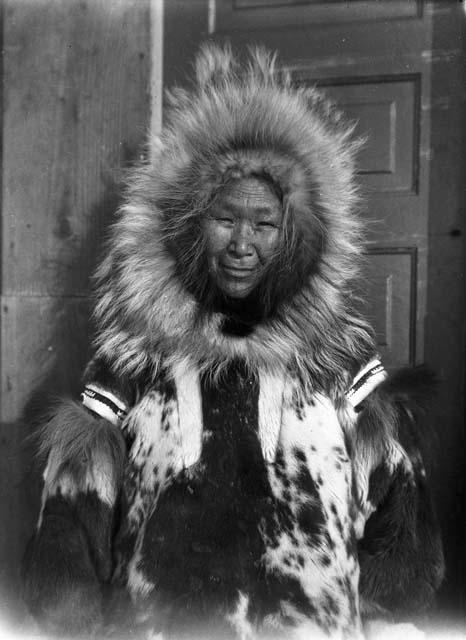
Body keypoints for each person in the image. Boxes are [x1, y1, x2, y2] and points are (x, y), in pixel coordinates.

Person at [22, 45, 444, 640]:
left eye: (264, 224)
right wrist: (67, 613)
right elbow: (74, 504)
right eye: (225, 217)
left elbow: (398, 513)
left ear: (294, 234)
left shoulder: (340, 353)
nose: (243, 242)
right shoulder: (133, 352)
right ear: (191, 221)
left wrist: (393, 618)